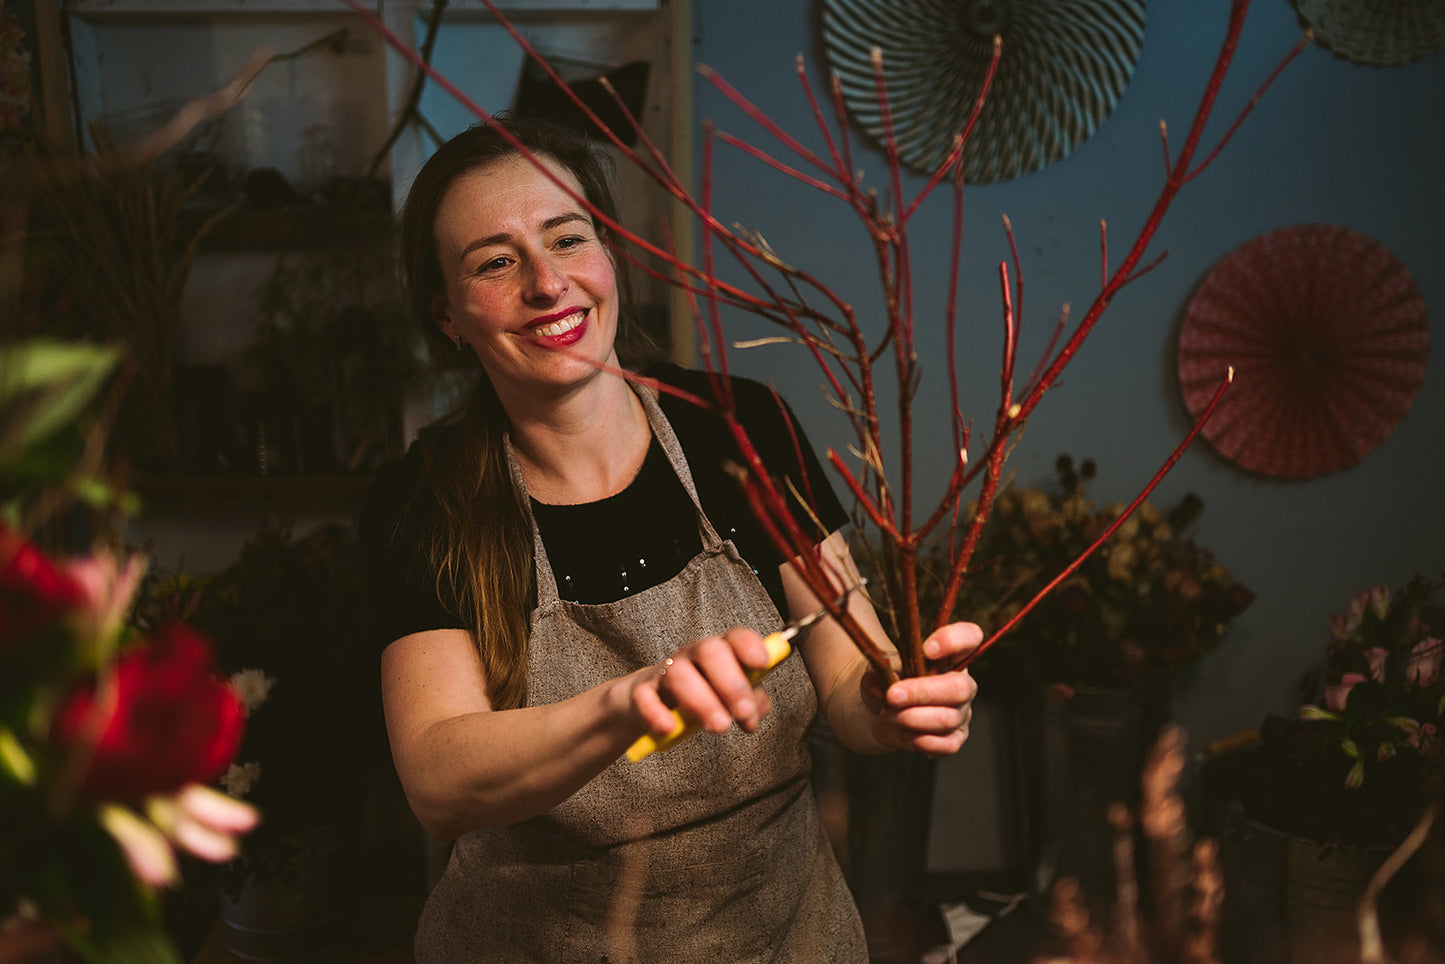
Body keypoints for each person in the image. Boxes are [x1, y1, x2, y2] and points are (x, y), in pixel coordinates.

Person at [360, 115, 982, 962]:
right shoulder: (424, 499)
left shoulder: (742, 426)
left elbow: (847, 678)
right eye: (495, 262)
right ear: (447, 317)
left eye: (567, 238)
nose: (548, 283)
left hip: (784, 940)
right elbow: (438, 778)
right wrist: (629, 705)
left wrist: (896, 701)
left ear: (608, 256)